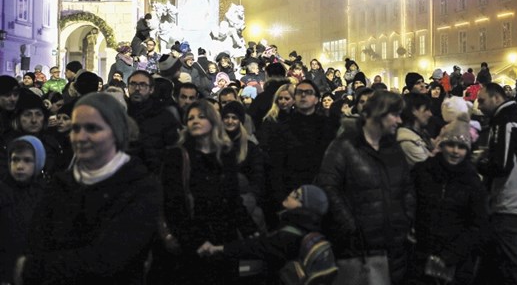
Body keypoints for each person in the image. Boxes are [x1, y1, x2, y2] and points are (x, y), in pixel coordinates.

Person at [13, 93, 161, 285]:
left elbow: (108, 259)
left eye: (92, 128)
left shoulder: (141, 186)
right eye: (76, 128)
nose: (81, 137)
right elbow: (38, 241)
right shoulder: (62, 183)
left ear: (115, 131)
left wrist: (34, 268)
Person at [318, 90, 414, 285]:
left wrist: (406, 218)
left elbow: (406, 187)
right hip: (358, 248)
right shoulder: (345, 146)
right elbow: (328, 186)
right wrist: (351, 226)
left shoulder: (393, 148)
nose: (399, 120)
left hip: (393, 242)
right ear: (379, 113)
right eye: (394, 115)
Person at [160, 100, 258, 284]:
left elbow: (233, 199)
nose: (194, 121)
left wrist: (250, 231)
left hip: (223, 237)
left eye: (201, 116)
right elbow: (174, 204)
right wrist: (195, 241)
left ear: (213, 121)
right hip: (192, 241)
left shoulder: (225, 154)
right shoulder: (177, 157)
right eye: (190, 118)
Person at [197, 185, 334, 284]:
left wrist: (217, 249)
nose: (290, 194)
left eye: (296, 196)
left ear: (303, 208)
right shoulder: (309, 230)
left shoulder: (288, 236)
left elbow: (254, 247)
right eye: (294, 191)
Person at [475, 83, 517, 285]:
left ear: (496, 98)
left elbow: (501, 165)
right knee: (512, 263)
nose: (479, 106)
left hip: (510, 205)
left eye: (482, 100)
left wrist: (478, 163)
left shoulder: (504, 121)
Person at [411, 113, 488, 285]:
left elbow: (478, 225)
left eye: (461, 147)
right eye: (451, 145)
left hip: (456, 262)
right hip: (420, 256)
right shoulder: (423, 172)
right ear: (442, 145)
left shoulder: (472, 181)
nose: (455, 151)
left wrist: (449, 256)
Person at [0, 136, 46, 283]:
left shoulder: (46, 192)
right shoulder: (2, 191)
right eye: (15, 159)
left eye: (27, 160)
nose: (19, 166)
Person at [396, 93, 439, 166]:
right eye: (426, 110)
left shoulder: (421, 133)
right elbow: (430, 167)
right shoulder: (408, 142)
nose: (430, 114)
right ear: (414, 111)